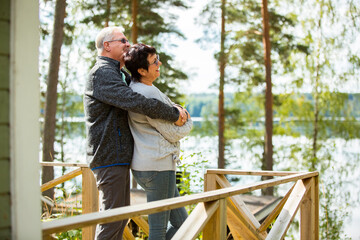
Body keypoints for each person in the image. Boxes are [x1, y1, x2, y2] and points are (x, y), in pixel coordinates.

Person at [83, 27, 188, 240]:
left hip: (120, 157)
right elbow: (136, 101)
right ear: (107, 45)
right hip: (109, 157)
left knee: (119, 218)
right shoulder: (102, 73)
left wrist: (172, 107)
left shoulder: (119, 73)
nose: (127, 44)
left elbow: (145, 97)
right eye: (122, 40)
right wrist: (173, 114)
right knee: (113, 219)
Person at [124, 43, 193, 240]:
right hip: (158, 167)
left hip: (147, 166)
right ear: (141, 70)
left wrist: (178, 111)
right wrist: (189, 120)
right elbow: (173, 133)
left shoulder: (137, 88)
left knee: (184, 224)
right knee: (158, 230)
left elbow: (172, 110)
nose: (159, 63)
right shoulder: (148, 93)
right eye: (154, 62)